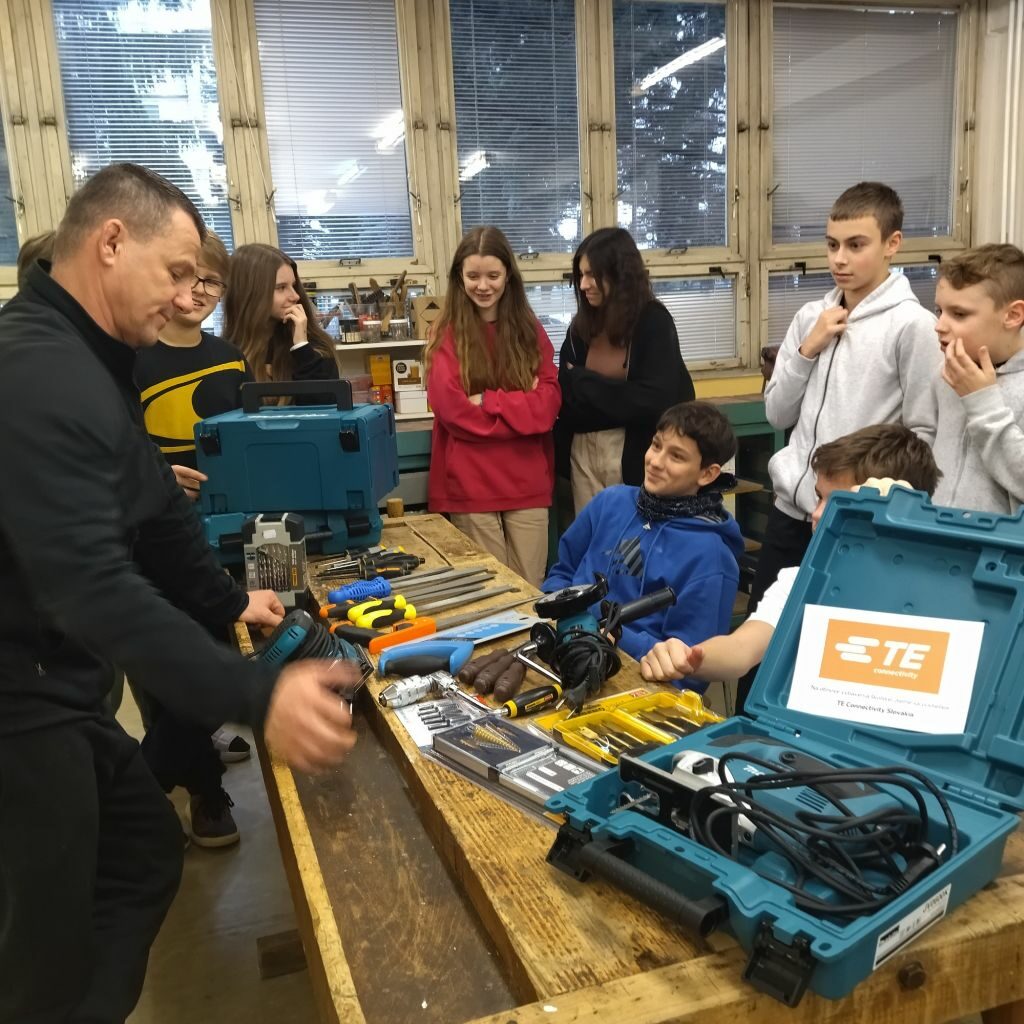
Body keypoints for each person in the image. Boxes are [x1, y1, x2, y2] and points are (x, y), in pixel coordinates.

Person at [0, 163, 357, 1024]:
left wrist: (230, 604)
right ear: (111, 242)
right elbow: (93, 586)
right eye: (175, 272)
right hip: (18, 701)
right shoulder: (36, 370)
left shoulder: (95, 358)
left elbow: (155, 505)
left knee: (142, 848)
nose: (186, 295)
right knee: (44, 943)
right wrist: (256, 695)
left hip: (54, 686)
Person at [753, 182, 939, 612]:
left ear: (892, 243)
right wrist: (807, 350)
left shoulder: (913, 326)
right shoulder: (810, 317)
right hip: (789, 514)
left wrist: (882, 506)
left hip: (857, 522)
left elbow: (924, 435)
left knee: (828, 642)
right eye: (832, 244)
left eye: (856, 245)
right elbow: (777, 413)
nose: (839, 259)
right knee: (765, 643)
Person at [639, 424, 940, 689]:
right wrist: (690, 657)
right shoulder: (798, 581)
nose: (817, 513)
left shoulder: (941, 590)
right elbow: (741, 649)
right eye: (820, 497)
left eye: (841, 504)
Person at [134, 229, 254, 846]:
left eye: (213, 281)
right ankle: (202, 791)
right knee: (168, 670)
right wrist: (157, 473)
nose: (201, 291)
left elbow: (248, 439)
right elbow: (116, 447)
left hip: (222, 533)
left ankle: (158, 779)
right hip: (153, 536)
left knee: (214, 656)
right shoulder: (135, 358)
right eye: (189, 277)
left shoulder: (230, 357)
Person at [542, 401, 744, 668]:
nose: (656, 462)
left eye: (676, 457)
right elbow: (562, 572)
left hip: (636, 674)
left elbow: (688, 667)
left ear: (707, 474)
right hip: (565, 646)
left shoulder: (711, 557)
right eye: (656, 445)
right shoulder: (609, 502)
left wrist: (612, 636)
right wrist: (560, 613)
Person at [424, 226, 561, 587]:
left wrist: (489, 400)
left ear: (508, 276)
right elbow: (453, 412)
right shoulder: (445, 334)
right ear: (459, 277)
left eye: (493, 276)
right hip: (471, 487)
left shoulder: (530, 330)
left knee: (529, 591)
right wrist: (521, 413)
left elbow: (547, 407)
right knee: (491, 593)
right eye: (473, 276)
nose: (483, 286)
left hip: (527, 483)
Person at [555, 227, 695, 514]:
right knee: (593, 534)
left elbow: (657, 400)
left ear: (620, 274)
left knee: (633, 536)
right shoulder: (579, 328)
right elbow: (566, 398)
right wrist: (617, 396)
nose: (584, 284)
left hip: (634, 453)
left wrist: (585, 382)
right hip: (582, 454)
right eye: (580, 275)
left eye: (593, 275)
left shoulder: (653, 322)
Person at [931, 244, 1024, 514]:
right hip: (934, 532)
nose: (939, 326)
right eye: (939, 311)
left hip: (999, 540)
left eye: (959, 314)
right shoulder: (945, 373)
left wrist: (983, 403)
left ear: (1013, 315)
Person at [222, 241, 339, 394]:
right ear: (250, 294)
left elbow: (324, 404)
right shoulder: (225, 353)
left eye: (293, 285)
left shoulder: (317, 348)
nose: (295, 296)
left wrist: (302, 348)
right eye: (281, 287)